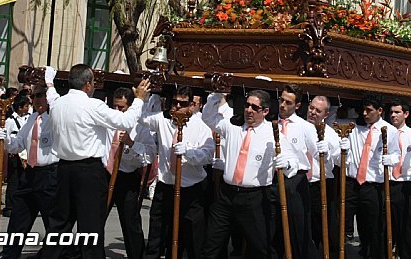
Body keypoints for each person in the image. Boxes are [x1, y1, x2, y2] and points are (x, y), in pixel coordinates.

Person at [42, 64, 150, 259]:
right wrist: (140, 99)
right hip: (88, 171)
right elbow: (125, 122)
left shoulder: (58, 104)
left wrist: (49, 81)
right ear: (88, 85)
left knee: (59, 224)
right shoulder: (92, 105)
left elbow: (51, 94)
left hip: (64, 169)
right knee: (90, 227)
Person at [200, 90, 298, 259]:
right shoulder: (233, 125)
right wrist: (215, 96)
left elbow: (293, 160)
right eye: (247, 105)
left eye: (255, 107)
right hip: (227, 195)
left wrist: (286, 163)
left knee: (262, 248)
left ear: (265, 111)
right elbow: (208, 118)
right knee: (211, 245)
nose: (249, 110)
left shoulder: (273, 133)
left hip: (255, 198)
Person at [139, 85, 214, 259]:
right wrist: (144, 98)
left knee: (192, 235)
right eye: (175, 103)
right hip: (166, 186)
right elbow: (140, 119)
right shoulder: (162, 119)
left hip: (191, 188)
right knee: (157, 231)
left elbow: (208, 155)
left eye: (183, 103)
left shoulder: (200, 124)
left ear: (191, 105)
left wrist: (189, 152)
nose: (178, 107)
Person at [0, 85, 57, 259]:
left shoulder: (55, 118)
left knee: (52, 222)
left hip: (49, 174)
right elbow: (18, 145)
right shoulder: (31, 119)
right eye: (35, 96)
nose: (38, 100)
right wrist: (6, 138)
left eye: (42, 96)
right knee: (19, 217)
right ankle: (9, 254)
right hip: (30, 173)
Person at [345, 93, 400, 258]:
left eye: (369, 110)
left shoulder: (389, 131)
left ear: (380, 110)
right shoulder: (355, 127)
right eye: (363, 110)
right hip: (352, 183)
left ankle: (374, 254)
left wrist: (390, 159)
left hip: (373, 185)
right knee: (348, 220)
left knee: (374, 225)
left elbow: (397, 154)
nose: (365, 113)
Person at [106, 87, 156, 259]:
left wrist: (132, 143)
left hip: (127, 176)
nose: (117, 111)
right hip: (106, 173)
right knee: (96, 217)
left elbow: (150, 155)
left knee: (130, 221)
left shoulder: (140, 127)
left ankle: (136, 254)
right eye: (115, 107)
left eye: (122, 108)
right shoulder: (108, 120)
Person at [274, 84, 320, 259]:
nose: (283, 105)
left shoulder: (305, 127)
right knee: (274, 228)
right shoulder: (269, 122)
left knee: (299, 228)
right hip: (272, 178)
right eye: (281, 100)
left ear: (297, 105)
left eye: (288, 102)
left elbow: (317, 152)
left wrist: (323, 148)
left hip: (295, 181)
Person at [305, 95, 342, 257]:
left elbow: (341, 162)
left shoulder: (331, 135)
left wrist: (335, 151)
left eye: (318, 111)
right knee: (305, 226)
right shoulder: (299, 127)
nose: (312, 112)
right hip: (301, 183)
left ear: (326, 115)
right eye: (311, 108)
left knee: (326, 227)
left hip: (321, 184)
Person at [388, 99, 411, 259]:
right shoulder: (386, 132)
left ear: (406, 114)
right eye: (391, 112)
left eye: (397, 112)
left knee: (405, 225)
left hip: (404, 183)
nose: (393, 115)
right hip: (387, 181)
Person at [2, 94, 31, 217]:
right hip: (14, 154)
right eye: (26, 106)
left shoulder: (29, 118)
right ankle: (10, 206)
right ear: (20, 107)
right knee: (13, 180)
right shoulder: (9, 121)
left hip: (26, 153)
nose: (28, 108)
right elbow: (7, 137)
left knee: (23, 180)